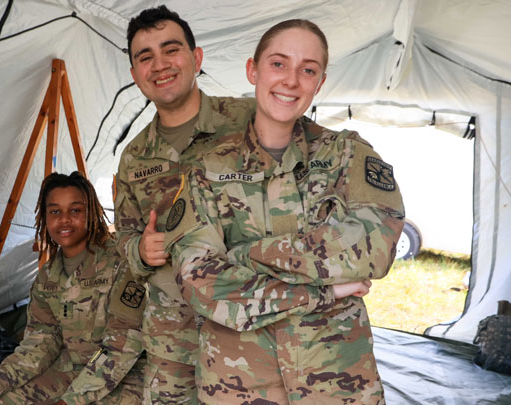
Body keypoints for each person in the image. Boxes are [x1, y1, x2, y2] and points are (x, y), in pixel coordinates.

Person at [165, 20, 405, 404]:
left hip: (338, 381)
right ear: (253, 70)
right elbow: (200, 283)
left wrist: (246, 255)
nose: (291, 80)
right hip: (238, 386)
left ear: (319, 82)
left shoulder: (346, 154)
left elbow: (376, 247)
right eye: (279, 64)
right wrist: (322, 292)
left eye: (307, 69)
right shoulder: (204, 169)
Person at [115, 6, 336, 404]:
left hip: (252, 326)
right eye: (144, 57)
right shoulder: (134, 157)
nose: (160, 65)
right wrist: (140, 251)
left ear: (196, 58)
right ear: (134, 75)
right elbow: (125, 238)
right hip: (173, 337)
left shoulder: (250, 117)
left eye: (171, 50)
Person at [0, 172, 145, 405]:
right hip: (72, 369)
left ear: (92, 212)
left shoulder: (120, 261)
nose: (64, 219)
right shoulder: (48, 277)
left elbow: (121, 346)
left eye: (75, 210)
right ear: (45, 218)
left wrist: (70, 401)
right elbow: (42, 340)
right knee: (6, 400)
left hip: (126, 375)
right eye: (55, 211)